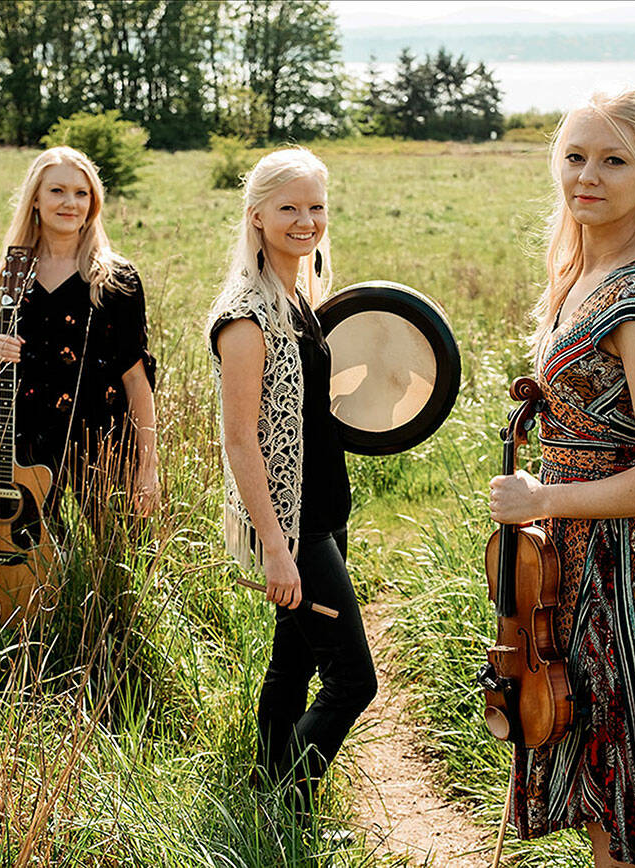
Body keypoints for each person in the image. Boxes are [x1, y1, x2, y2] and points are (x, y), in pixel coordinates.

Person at [487, 90, 635, 868]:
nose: (586, 175)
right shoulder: (582, 267)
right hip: (571, 566)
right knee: (596, 798)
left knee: (627, 808)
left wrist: (545, 497)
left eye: (613, 159)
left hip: (632, 573)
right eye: (575, 155)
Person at [206, 147, 377, 818]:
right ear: (256, 216)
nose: (306, 220)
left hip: (323, 507)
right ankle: (283, 802)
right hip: (292, 523)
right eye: (289, 207)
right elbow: (242, 438)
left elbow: (307, 402)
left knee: (295, 661)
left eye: (316, 207)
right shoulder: (247, 315)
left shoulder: (295, 298)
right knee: (351, 680)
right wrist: (276, 548)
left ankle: (272, 785)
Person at [0, 146, 159, 541]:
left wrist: (147, 465)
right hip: (20, 440)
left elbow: (137, 380)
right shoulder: (6, 275)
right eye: (57, 191)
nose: (70, 203)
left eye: (81, 193)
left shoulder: (115, 280)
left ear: (93, 203)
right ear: (35, 199)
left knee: (118, 555)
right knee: (23, 558)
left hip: (101, 440)